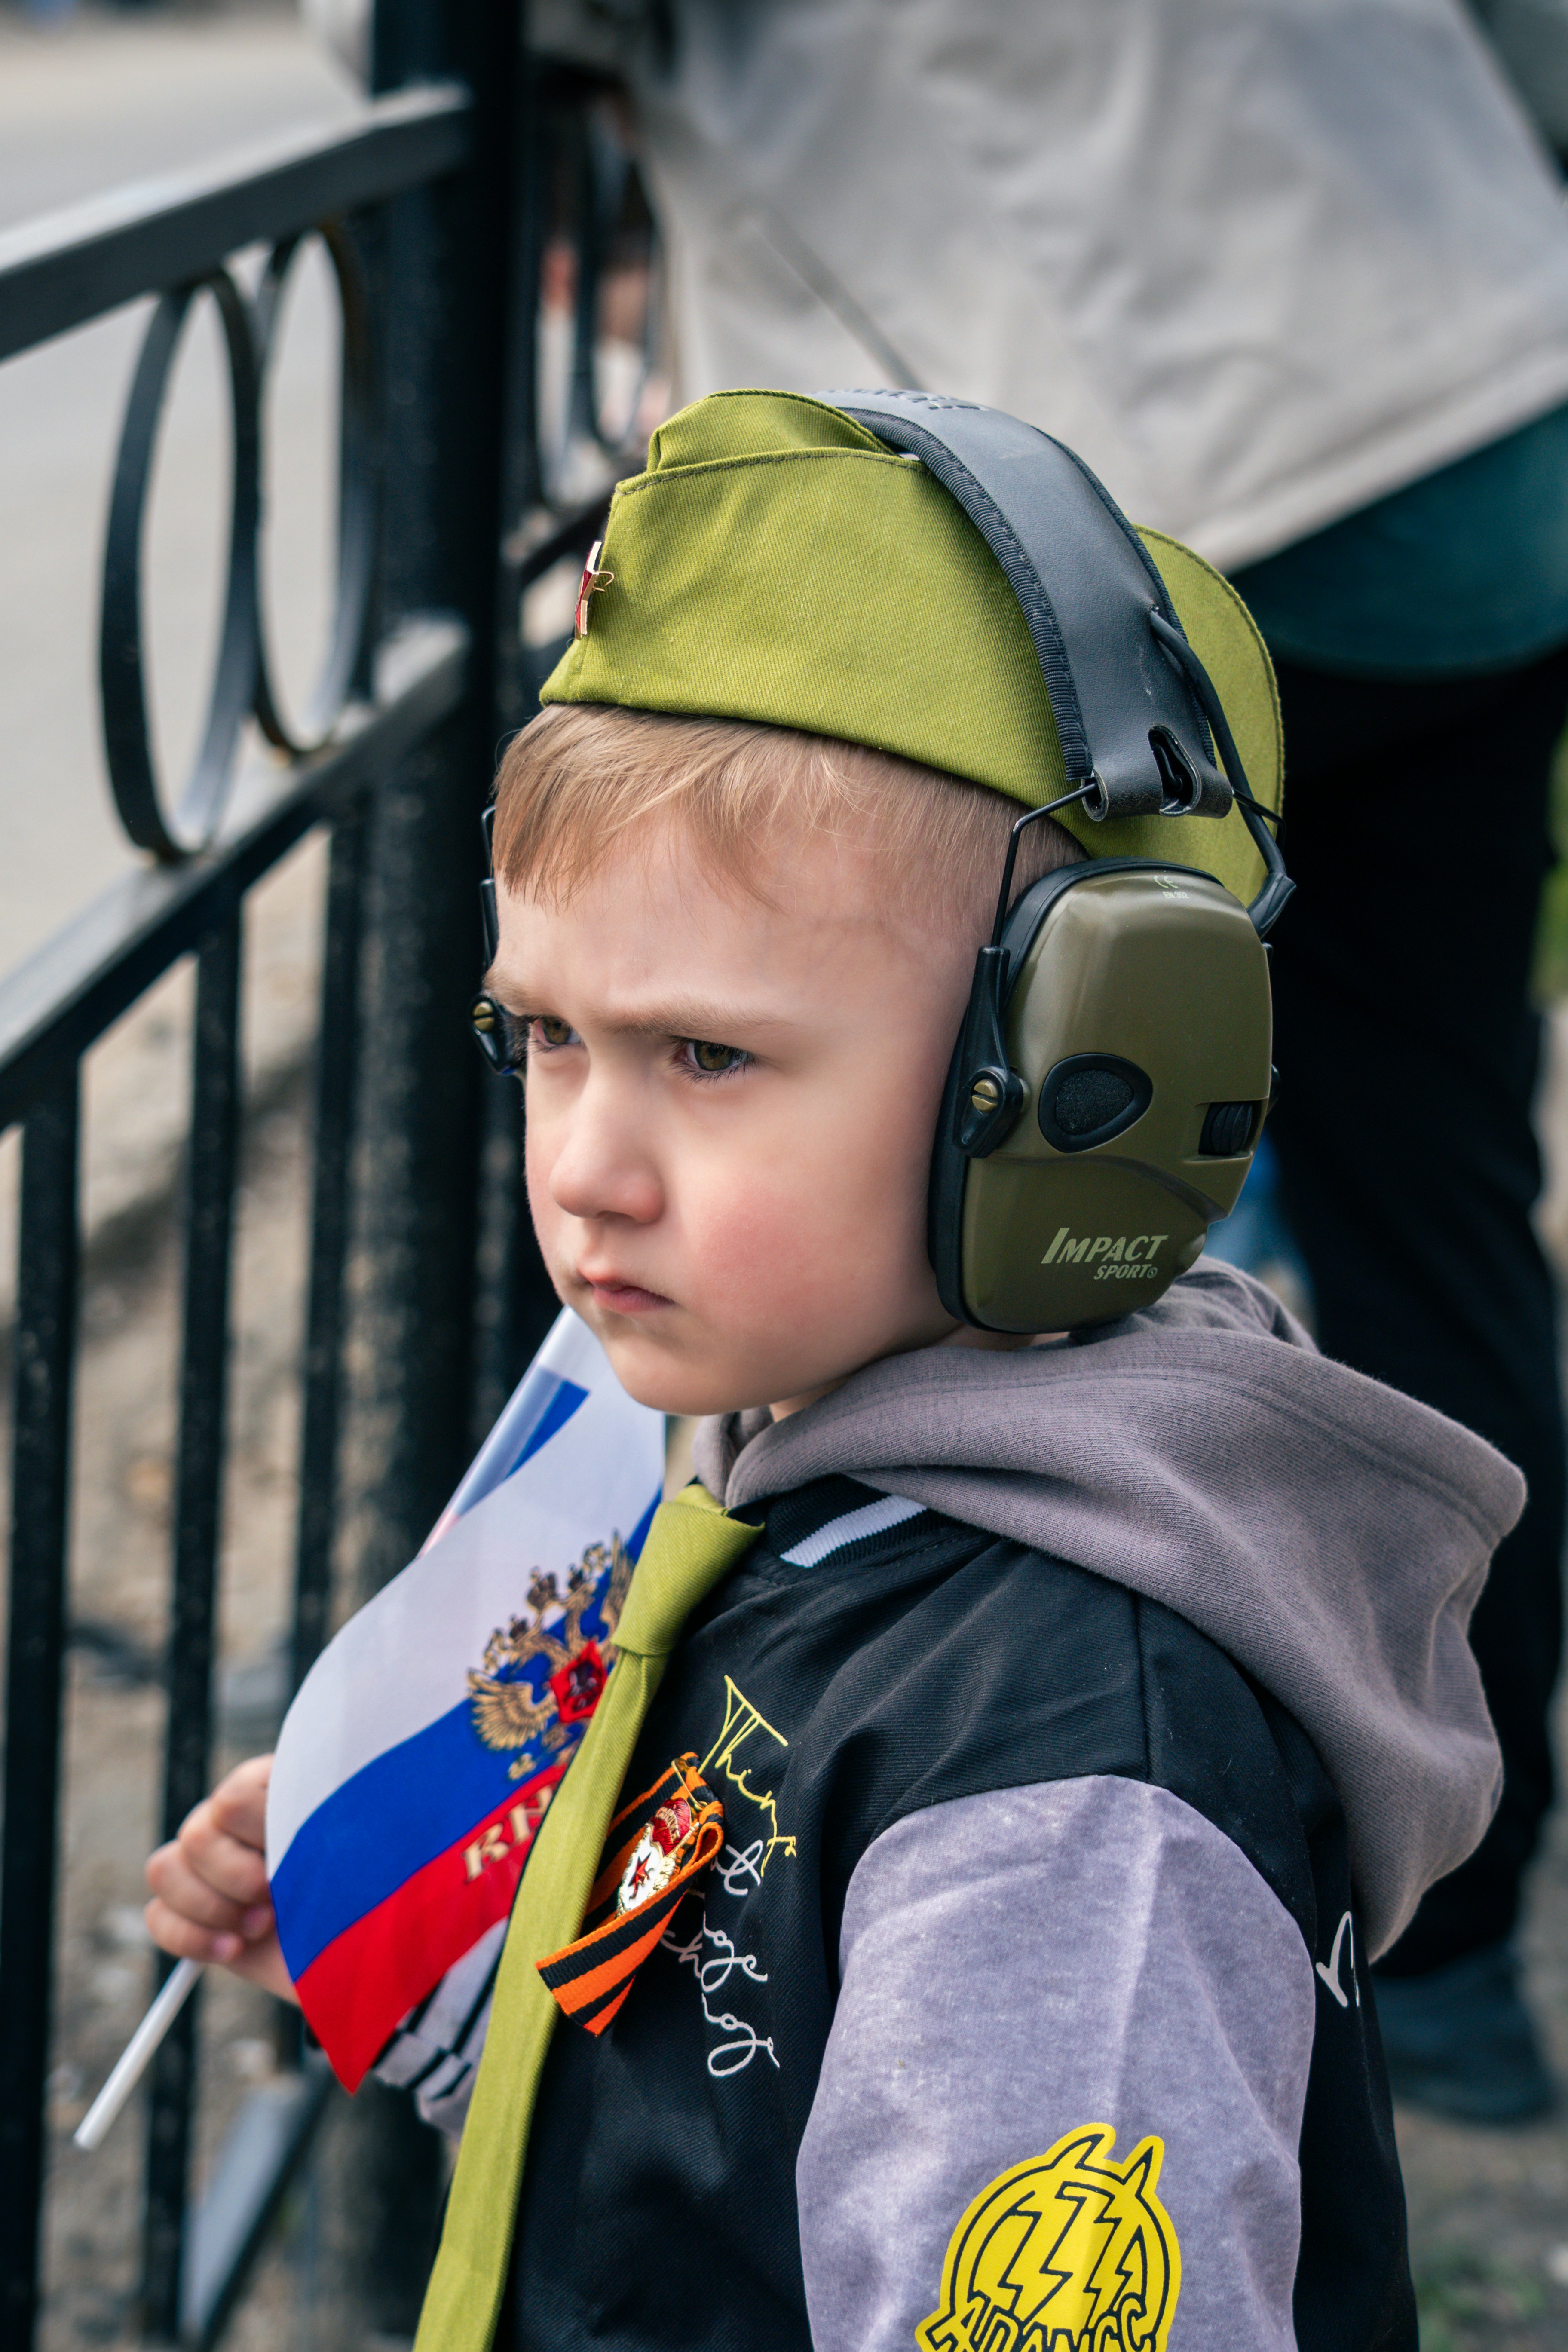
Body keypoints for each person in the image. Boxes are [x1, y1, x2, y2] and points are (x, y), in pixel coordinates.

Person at [148, 389, 1522, 2351]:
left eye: (707, 1056)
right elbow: (723, 2089)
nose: (583, 1168)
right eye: (545, 1034)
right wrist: (427, 1909)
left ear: (1081, 1091)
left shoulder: (1068, 1802)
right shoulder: (800, 1472)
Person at [521, 0, 1568, 2125]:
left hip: (1053, 539)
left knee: (923, 1127)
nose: (575, 1153)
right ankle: (1435, 1928)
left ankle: (977, 1734)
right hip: (1444, 388)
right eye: (523, 1043)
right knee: (1419, 1180)